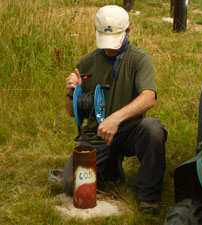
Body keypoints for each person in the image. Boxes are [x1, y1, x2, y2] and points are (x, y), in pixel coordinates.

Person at [63, 5, 167, 215]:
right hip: (96, 135)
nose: (109, 48)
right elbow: (72, 113)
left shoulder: (139, 58)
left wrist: (115, 119)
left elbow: (149, 97)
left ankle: (148, 196)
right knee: (69, 184)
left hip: (130, 132)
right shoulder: (86, 62)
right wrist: (70, 92)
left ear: (128, 31)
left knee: (153, 129)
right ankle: (111, 167)